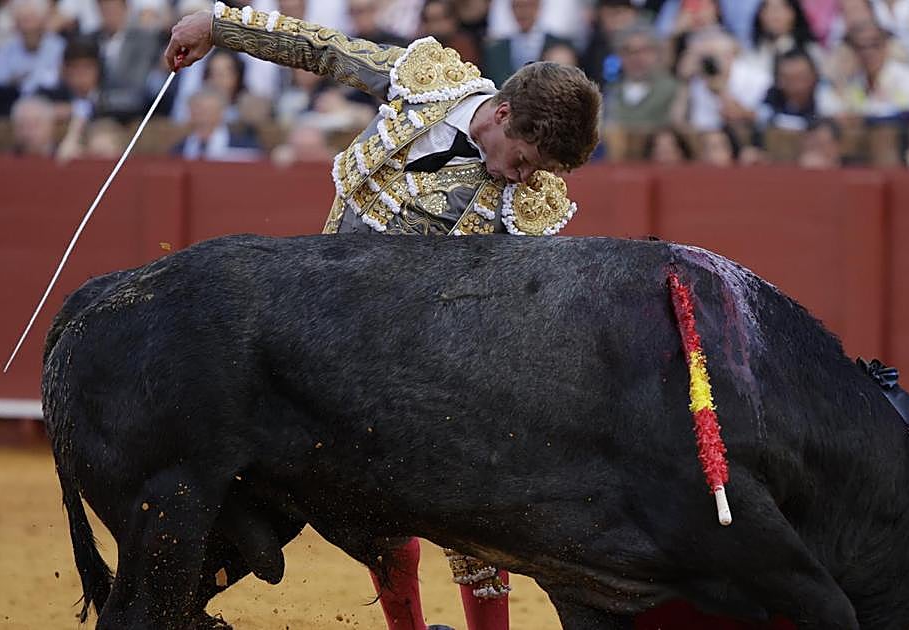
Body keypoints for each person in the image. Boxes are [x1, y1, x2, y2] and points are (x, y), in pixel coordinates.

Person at [164, 4, 600, 630]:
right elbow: (322, 48)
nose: (524, 178)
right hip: (324, 325)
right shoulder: (428, 79)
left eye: (537, 171)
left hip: (426, 367)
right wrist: (218, 27)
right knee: (366, 512)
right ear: (502, 113)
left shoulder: (526, 206)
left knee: (468, 517)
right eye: (524, 159)